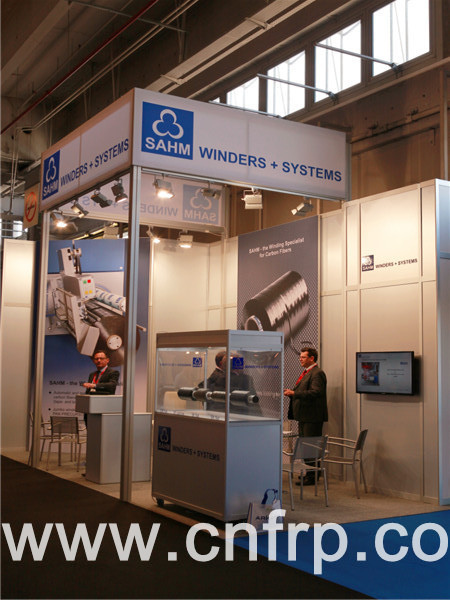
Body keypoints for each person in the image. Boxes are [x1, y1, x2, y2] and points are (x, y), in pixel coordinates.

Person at [284, 347, 328, 485]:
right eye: (300, 357)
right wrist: (292, 393)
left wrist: (294, 393)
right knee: (305, 446)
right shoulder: (307, 372)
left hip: (312, 417)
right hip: (304, 416)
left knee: (310, 447)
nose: (300, 359)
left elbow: (316, 392)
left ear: (311, 358)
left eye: (303, 357)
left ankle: (312, 476)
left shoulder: (317, 373)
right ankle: (309, 473)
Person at [82, 350, 119, 425]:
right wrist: (84, 403)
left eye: (101, 358)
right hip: (90, 409)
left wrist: (95, 385)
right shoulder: (92, 374)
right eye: (96, 359)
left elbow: (112, 385)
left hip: (104, 407)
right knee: (90, 429)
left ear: (107, 360)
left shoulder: (113, 372)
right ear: (93, 361)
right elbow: (89, 391)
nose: (98, 360)